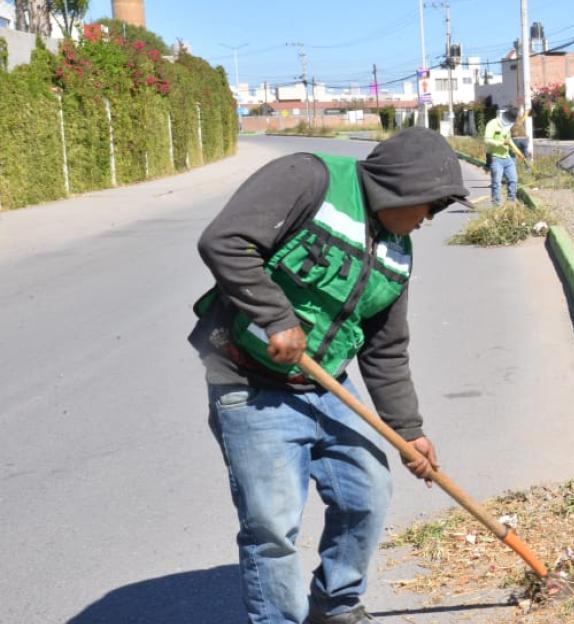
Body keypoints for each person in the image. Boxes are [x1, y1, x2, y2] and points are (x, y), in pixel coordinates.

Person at [189, 128, 470, 623]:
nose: (429, 220)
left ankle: (335, 604)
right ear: (401, 189)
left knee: (367, 492)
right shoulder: (308, 177)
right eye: (430, 206)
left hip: (327, 382)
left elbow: (386, 349)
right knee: (272, 526)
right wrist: (276, 317)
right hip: (250, 382)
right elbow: (225, 241)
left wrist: (409, 431)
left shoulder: (397, 248)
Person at [483, 107, 519, 205]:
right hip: (495, 158)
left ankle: (510, 204)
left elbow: (509, 140)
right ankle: (496, 206)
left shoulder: (508, 125)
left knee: (513, 180)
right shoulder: (492, 124)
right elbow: (487, 140)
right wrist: (500, 143)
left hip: (507, 158)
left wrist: (517, 151)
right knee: (496, 183)